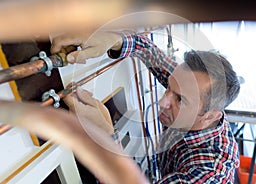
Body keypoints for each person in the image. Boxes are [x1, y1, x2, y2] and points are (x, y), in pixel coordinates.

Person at [50, 30, 241, 183]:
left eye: (180, 100)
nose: (162, 102)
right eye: (169, 86)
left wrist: (105, 137)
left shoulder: (210, 174)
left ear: (210, 116)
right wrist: (112, 39)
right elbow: (147, 49)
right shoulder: (188, 88)